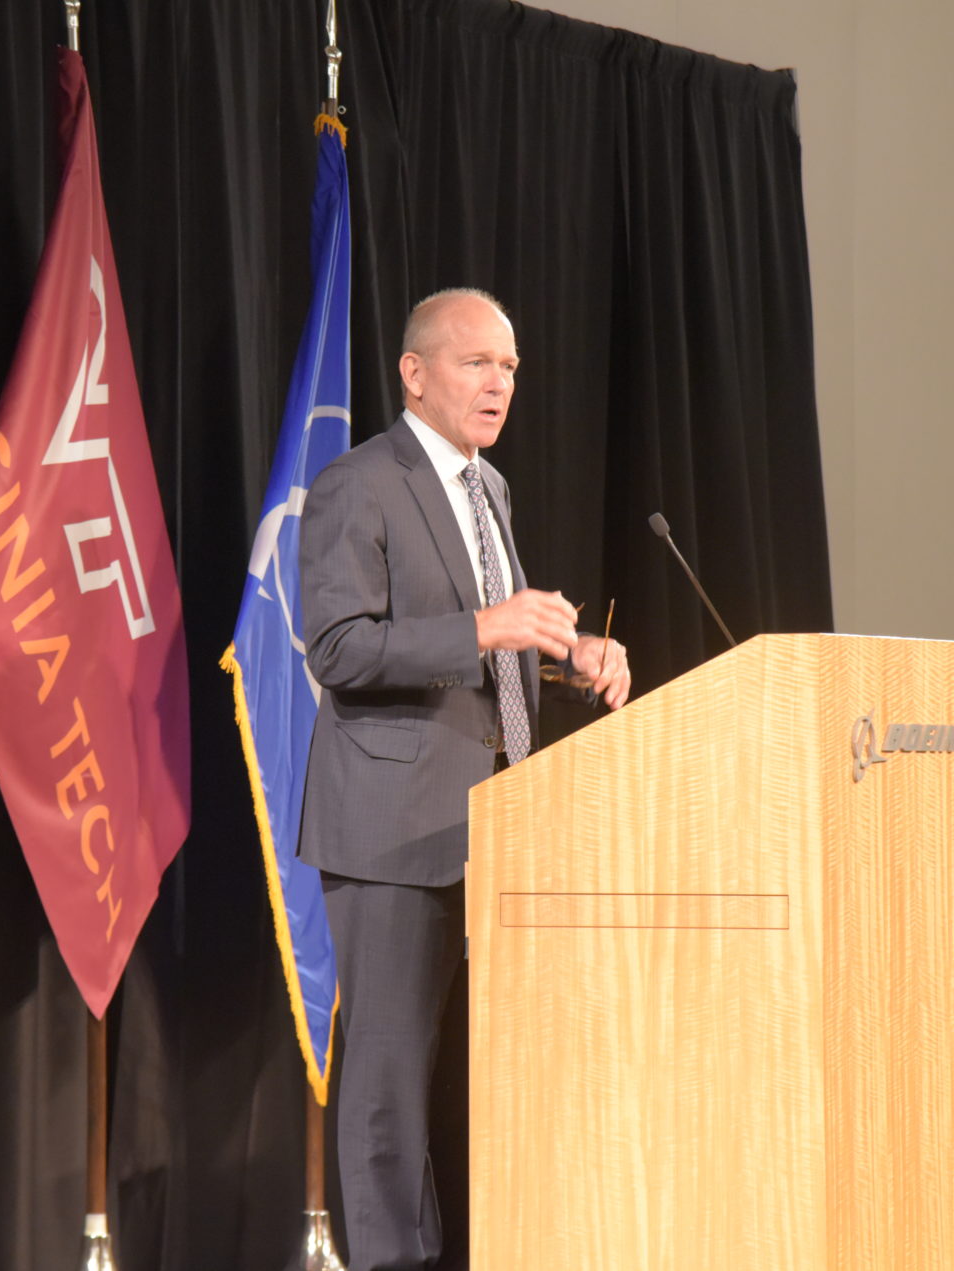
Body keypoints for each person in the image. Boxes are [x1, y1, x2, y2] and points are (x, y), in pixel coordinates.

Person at [298, 287, 631, 1270]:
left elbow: (485, 666)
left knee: (463, 1086)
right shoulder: (359, 482)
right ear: (414, 371)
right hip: (393, 832)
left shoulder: (489, 491)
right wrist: (489, 625)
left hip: (494, 829)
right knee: (386, 1085)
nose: (499, 384)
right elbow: (338, 647)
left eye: (511, 368)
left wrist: (572, 657)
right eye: (477, 363)